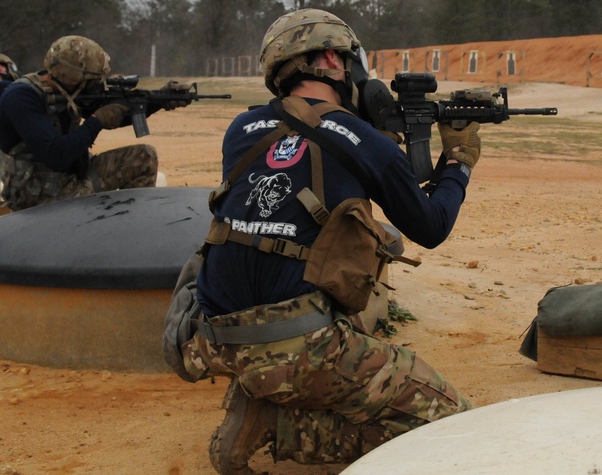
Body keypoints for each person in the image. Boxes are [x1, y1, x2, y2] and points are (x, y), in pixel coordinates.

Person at [182, 9, 478, 474]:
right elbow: (431, 226)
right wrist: (458, 162)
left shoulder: (240, 130)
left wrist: (373, 140)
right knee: (450, 423)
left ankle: (264, 390)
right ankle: (275, 426)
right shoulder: (369, 144)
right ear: (329, 59)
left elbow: (302, 163)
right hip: (299, 343)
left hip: (213, 335)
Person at [0, 35, 185, 211]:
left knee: (144, 157)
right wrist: (97, 121)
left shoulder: (68, 91)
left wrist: (160, 101)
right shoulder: (21, 98)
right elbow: (56, 155)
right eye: (93, 81)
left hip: (73, 178)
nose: (97, 86)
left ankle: (130, 228)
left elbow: (116, 112)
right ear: (73, 77)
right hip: (38, 197)